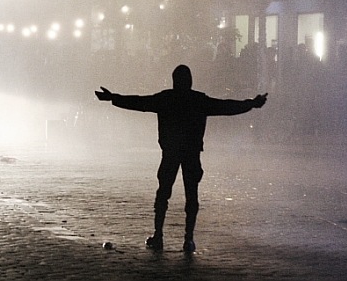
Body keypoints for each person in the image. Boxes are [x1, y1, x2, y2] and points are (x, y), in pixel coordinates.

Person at [95, 64, 268, 253]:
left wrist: (113, 98)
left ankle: (158, 235)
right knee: (191, 196)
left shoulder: (165, 98)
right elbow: (226, 106)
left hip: (170, 152)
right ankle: (188, 239)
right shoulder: (199, 100)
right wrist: (251, 103)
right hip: (192, 153)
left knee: (163, 194)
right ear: (190, 81)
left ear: (174, 80)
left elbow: (139, 102)